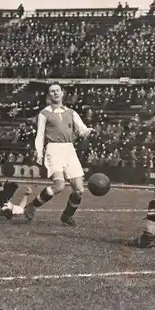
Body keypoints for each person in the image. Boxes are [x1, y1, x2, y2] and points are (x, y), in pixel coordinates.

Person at [23, 83, 95, 226]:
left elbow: (82, 130)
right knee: (59, 186)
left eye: (57, 90)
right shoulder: (44, 113)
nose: (55, 93)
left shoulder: (72, 112)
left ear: (62, 93)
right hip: (53, 149)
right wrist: (39, 152)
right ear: (49, 95)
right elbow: (40, 135)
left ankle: (67, 216)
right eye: (52, 91)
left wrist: (89, 130)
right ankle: (32, 205)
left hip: (69, 150)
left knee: (79, 190)